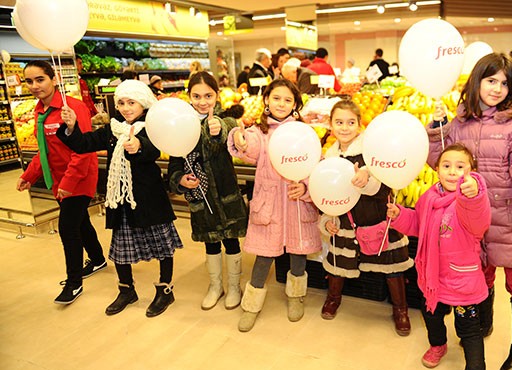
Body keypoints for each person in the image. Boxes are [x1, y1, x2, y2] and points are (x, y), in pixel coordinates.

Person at [429, 53, 512, 370]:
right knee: (480, 275)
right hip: (470, 217)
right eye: (491, 80)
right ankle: (483, 323)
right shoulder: (459, 122)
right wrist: (435, 131)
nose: (497, 88)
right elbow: (439, 162)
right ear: (477, 82)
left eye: (504, 83)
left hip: (509, 216)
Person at [57, 79, 183, 318]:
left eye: (131, 102)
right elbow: (83, 144)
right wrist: (72, 127)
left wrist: (139, 146)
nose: (126, 108)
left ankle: (165, 290)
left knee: (163, 246)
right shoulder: (112, 129)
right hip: (121, 199)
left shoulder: (153, 126)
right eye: (122, 103)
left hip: (149, 198)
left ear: (143, 104)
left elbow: (154, 149)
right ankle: (126, 290)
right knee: (121, 248)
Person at [387, 144, 491, 370]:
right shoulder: (429, 197)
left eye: (460, 167)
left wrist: (475, 193)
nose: (452, 172)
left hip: (462, 279)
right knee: (431, 316)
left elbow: (480, 219)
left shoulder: (467, 202)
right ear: (436, 169)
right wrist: (399, 215)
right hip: (432, 277)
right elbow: (417, 224)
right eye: (446, 166)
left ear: (471, 171)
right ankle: (438, 345)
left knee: (469, 331)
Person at [228, 79, 322, 332]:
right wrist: (239, 139)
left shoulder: (304, 133)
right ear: (267, 100)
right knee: (264, 255)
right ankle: (252, 304)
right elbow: (248, 146)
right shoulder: (260, 133)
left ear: (295, 105)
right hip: (269, 206)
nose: (281, 103)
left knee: (298, 253)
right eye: (277, 98)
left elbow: (316, 165)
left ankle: (296, 296)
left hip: (297, 204)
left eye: (288, 100)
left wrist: (306, 188)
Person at [319, 99, 413, 336]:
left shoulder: (371, 153)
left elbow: (385, 188)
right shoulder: (329, 157)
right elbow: (325, 191)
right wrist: (327, 219)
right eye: (339, 122)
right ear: (330, 124)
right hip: (345, 221)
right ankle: (333, 298)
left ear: (360, 124)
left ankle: (400, 309)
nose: (345, 127)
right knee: (339, 263)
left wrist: (367, 180)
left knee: (392, 265)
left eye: (351, 122)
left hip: (376, 217)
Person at [17, 60, 106, 305]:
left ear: (54, 79)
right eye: (29, 81)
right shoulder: (39, 111)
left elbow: (83, 150)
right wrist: (28, 176)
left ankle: (74, 283)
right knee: (81, 222)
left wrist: (68, 182)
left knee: (67, 228)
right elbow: (44, 151)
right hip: (58, 180)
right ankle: (98, 259)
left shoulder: (73, 107)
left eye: (40, 79)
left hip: (79, 178)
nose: (35, 86)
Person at [167, 72, 248, 311]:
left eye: (208, 96)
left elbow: (229, 132)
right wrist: (180, 179)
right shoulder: (181, 126)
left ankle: (234, 286)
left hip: (226, 194)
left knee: (231, 240)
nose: (203, 102)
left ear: (217, 95)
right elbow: (174, 163)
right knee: (210, 242)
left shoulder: (226, 119)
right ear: (189, 96)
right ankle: (215, 286)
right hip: (200, 197)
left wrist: (218, 129)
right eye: (197, 96)